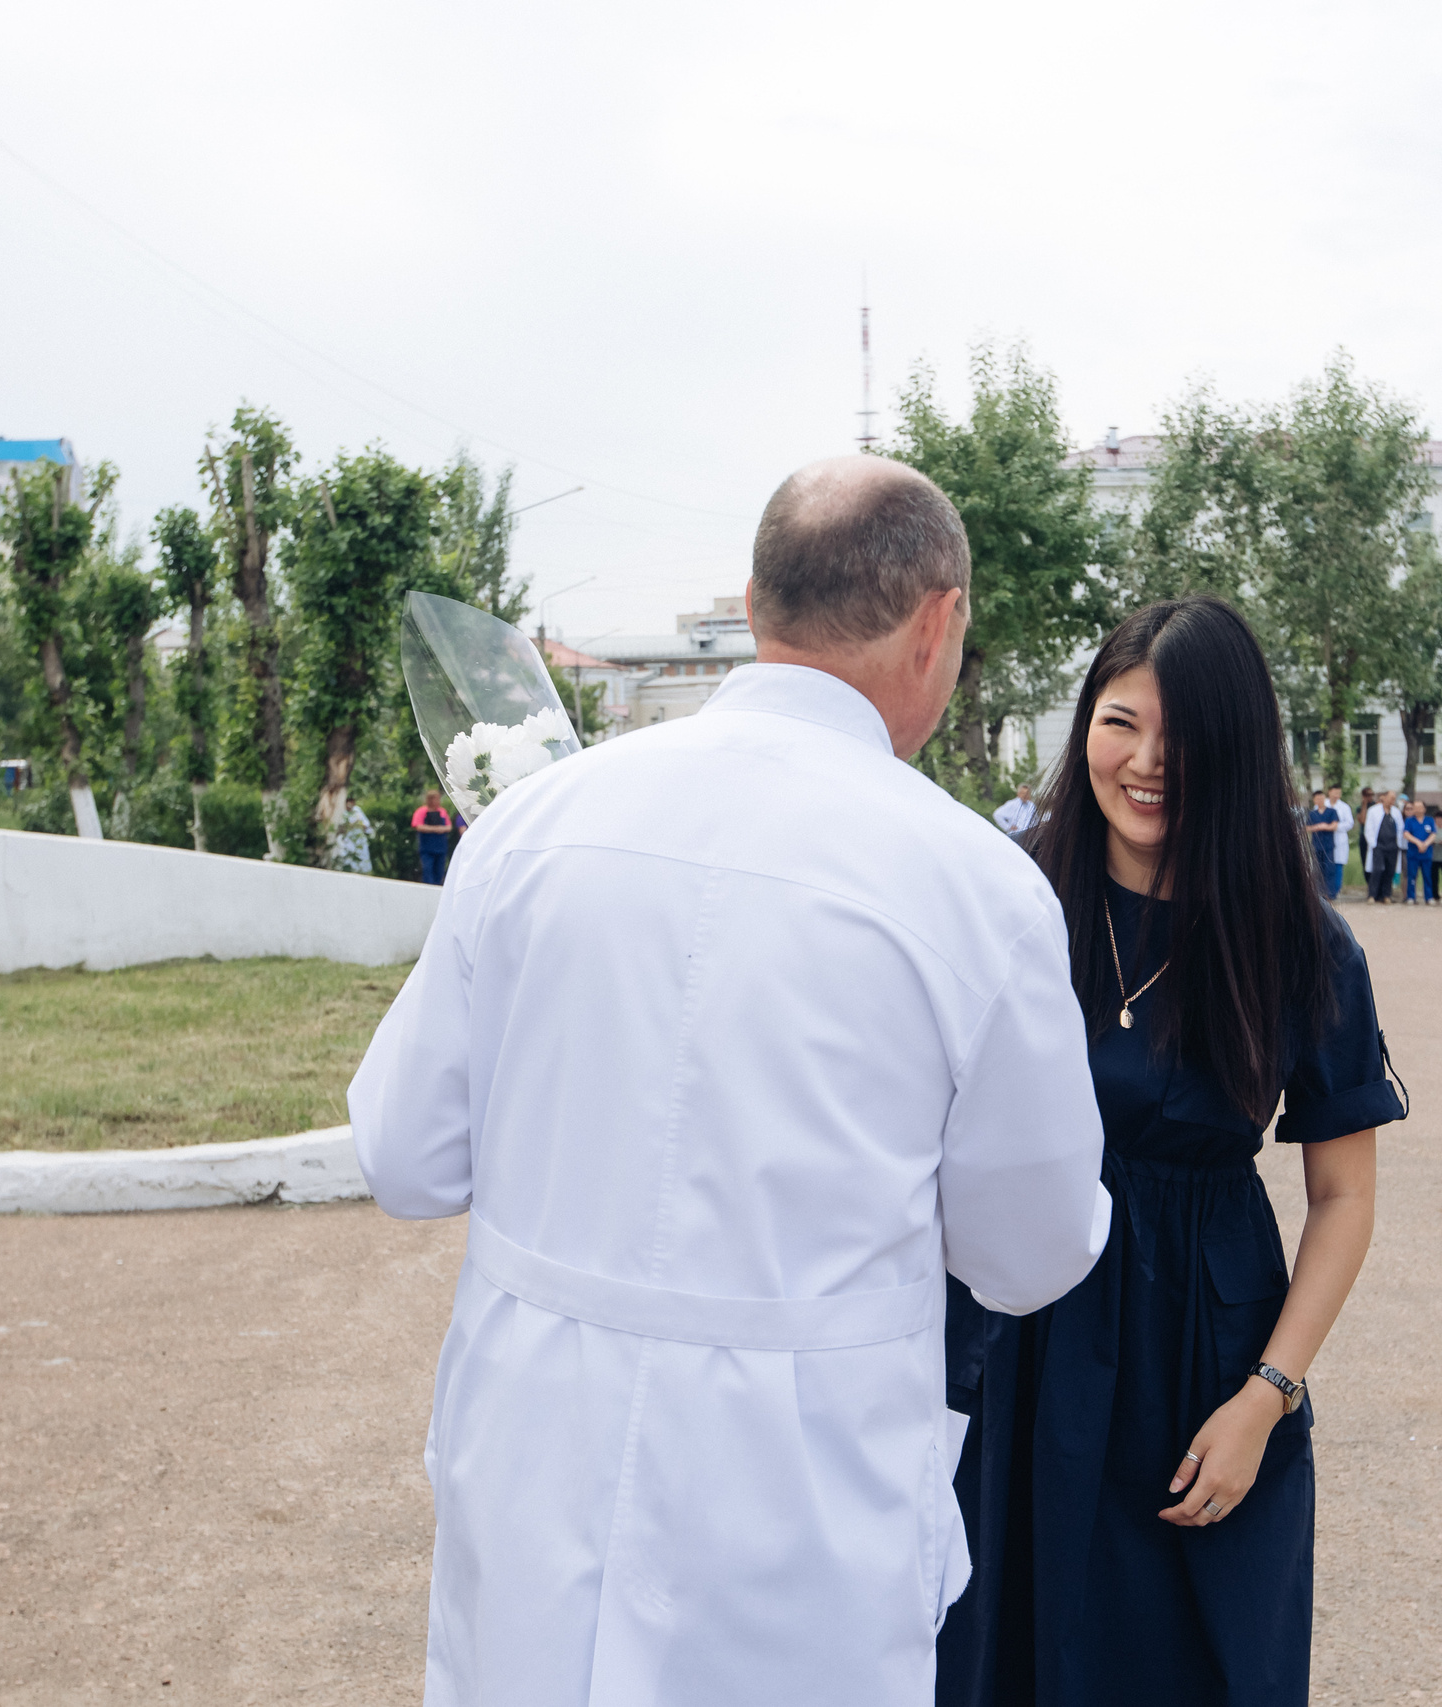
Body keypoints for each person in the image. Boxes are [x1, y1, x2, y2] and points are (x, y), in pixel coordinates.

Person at [348, 456, 1112, 1706]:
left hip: (539, 1443)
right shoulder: (972, 890)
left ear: (754, 609)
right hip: (795, 1487)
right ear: (941, 624)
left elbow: (405, 1157)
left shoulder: (534, 830)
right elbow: (1028, 1252)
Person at [940, 595, 1405, 1707]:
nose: (1148, 763)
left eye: (1183, 735)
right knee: (988, 1645)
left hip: (1205, 1350)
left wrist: (1268, 1395)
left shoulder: (1298, 941)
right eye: (1119, 723)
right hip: (1014, 1336)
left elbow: (1341, 1196)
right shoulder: (1007, 902)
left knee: (1195, 1663)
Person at [410, 790, 457, 886]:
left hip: (440, 847)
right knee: (428, 870)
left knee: (439, 872)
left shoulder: (442, 811)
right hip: (427, 848)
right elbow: (418, 826)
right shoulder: (421, 811)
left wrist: (441, 829)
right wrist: (435, 829)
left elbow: (449, 827)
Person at [1401, 797, 1436, 904]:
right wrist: (1418, 843)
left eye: (1420, 807)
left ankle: (1429, 897)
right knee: (1412, 875)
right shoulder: (1409, 821)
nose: (1417, 809)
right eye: (1415, 807)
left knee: (1427, 875)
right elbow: (1406, 834)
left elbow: (1433, 834)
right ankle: (1411, 896)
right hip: (1413, 852)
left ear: (1424, 809)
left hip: (1426, 853)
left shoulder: (1429, 820)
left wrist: (1425, 844)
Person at [1305, 791, 1338, 885]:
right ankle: (1319, 892)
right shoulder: (1312, 814)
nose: (1320, 800)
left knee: (1329, 869)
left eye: (1321, 798)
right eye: (1317, 799)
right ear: (1314, 800)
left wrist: (1324, 826)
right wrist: (1318, 827)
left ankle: (1330, 893)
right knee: (1317, 870)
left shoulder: (1332, 812)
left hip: (1328, 845)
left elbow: (1334, 826)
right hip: (1316, 845)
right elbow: (1306, 828)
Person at [1328, 786, 1354, 902]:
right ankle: (1324, 891)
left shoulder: (1344, 807)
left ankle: (1334, 892)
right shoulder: (1322, 804)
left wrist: (1336, 826)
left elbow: (1350, 823)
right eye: (1335, 792)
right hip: (1325, 839)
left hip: (1339, 839)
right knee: (1325, 866)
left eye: (1339, 793)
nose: (1336, 795)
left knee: (1338, 866)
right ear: (1329, 792)